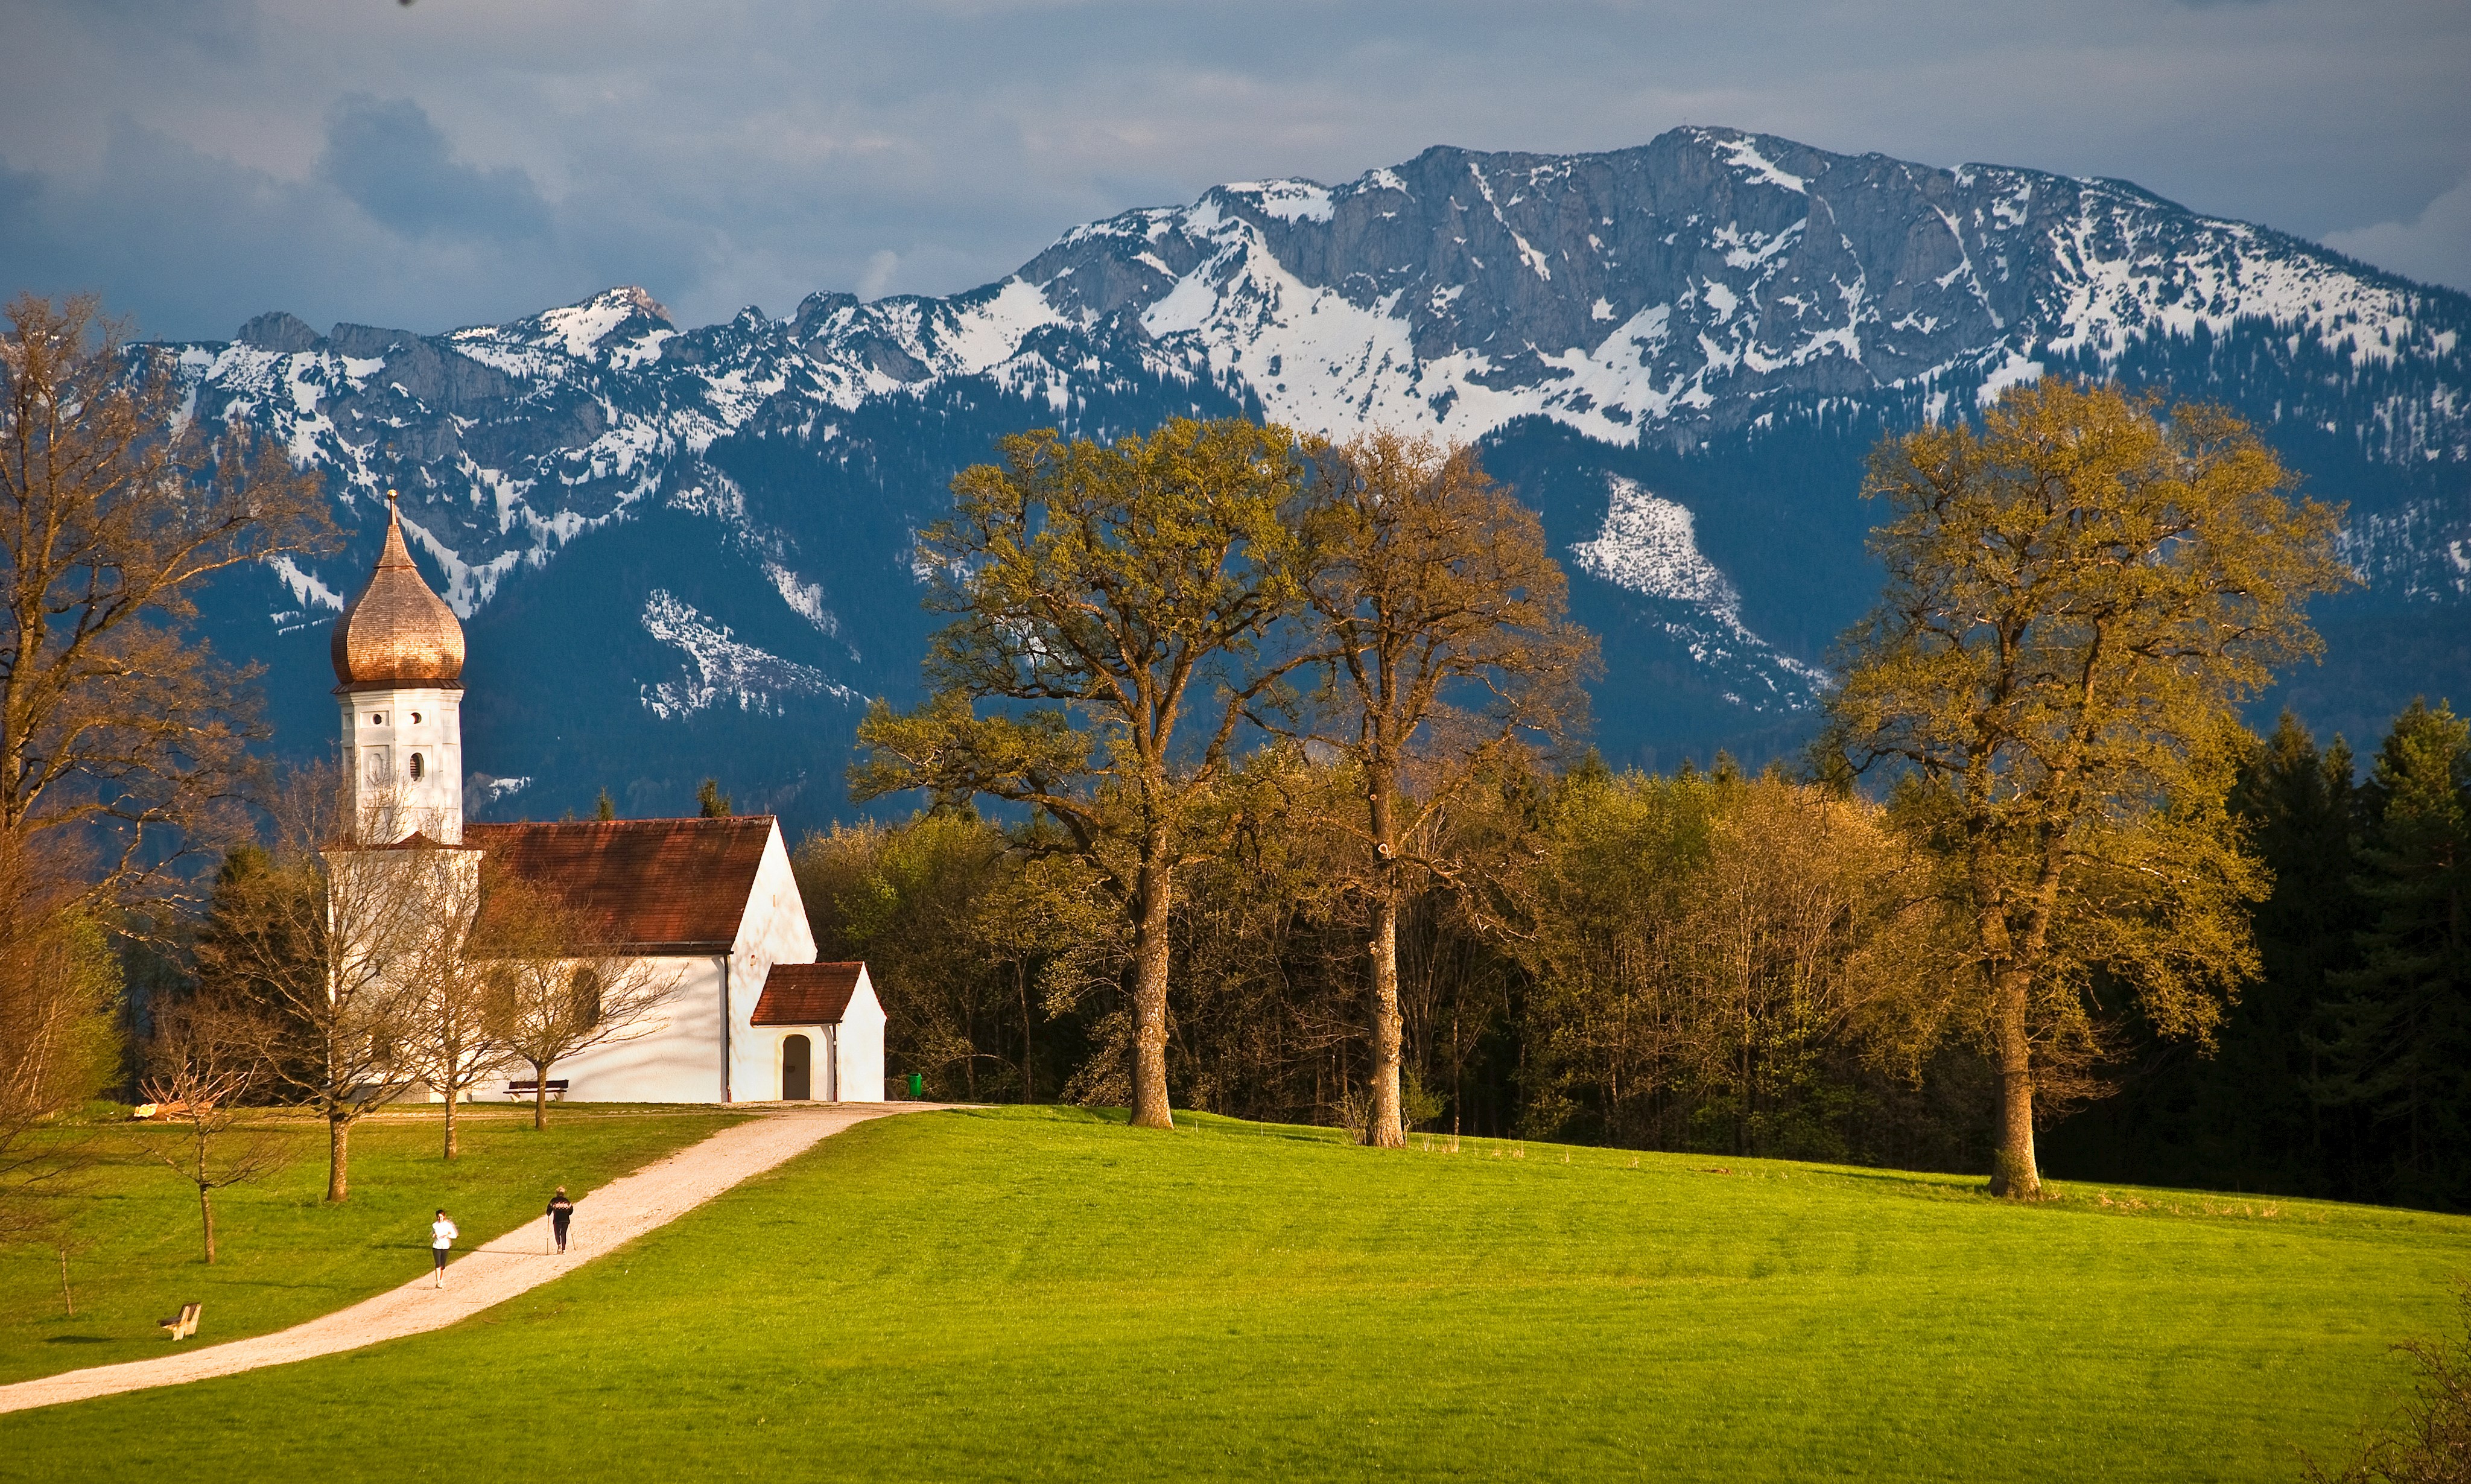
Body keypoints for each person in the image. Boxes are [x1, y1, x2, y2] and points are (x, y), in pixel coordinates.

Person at [430, 1208, 458, 1288]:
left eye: (441, 1217)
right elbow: (434, 1233)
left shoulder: (448, 1225)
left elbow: (455, 1236)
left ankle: (441, 1280)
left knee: (443, 1265)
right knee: (438, 1264)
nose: (440, 1219)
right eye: (438, 1217)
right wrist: (434, 1235)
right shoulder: (434, 1225)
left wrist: (448, 1236)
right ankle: (438, 1281)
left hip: (445, 1246)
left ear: (444, 1217)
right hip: (436, 1246)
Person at [547, 1187, 575, 1254]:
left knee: (557, 1233)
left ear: (557, 1193)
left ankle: (559, 1245)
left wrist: (549, 1213)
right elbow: (571, 1211)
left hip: (557, 1220)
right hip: (566, 1220)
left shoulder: (554, 1201)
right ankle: (564, 1250)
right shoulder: (567, 1201)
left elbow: (549, 1210)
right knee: (563, 1233)